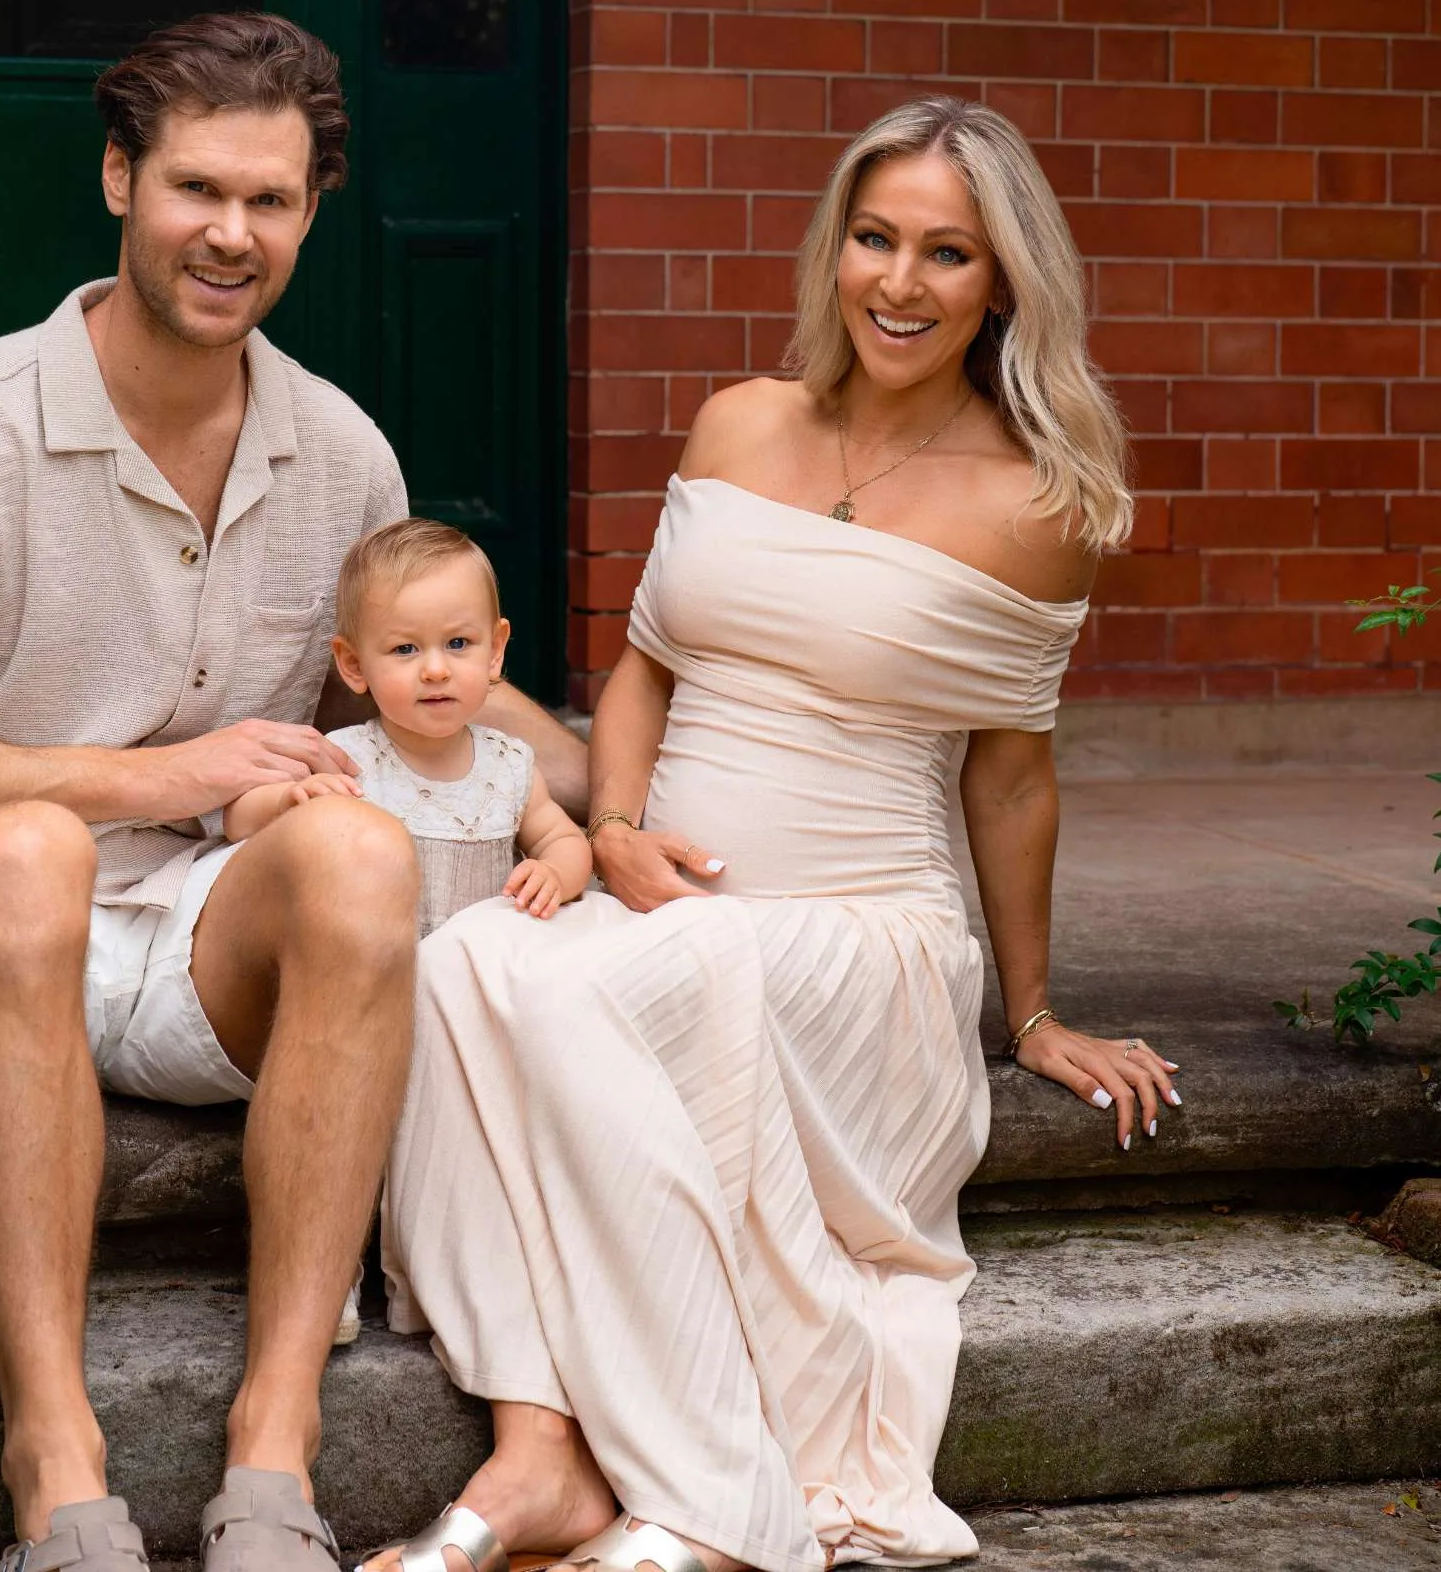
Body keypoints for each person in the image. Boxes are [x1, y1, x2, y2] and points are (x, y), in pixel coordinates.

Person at [0, 12, 584, 1572]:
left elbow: (435, 676)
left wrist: (611, 798)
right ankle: (56, 1465)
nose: (230, 234)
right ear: (116, 180)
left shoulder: (338, 449)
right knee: (22, 853)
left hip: (199, 941)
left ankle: (273, 1452)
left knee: (357, 853)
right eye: (195, 189)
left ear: (308, 213)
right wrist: (156, 776)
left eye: (270, 201)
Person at [369, 95, 1182, 1572]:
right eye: (873, 237)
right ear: (834, 247)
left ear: (1001, 280)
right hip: (657, 902)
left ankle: (713, 1499)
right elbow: (644, 668)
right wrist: (610, 823)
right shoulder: (739, 422)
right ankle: (539, 1452)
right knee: (455, 967)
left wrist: (1037, 1009)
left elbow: (1008, 778)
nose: (897, 281)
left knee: (555, 991)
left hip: (858, 931)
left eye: (946, 253)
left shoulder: (1037, 503)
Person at [225, 519, 592, 933]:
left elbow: (561, 840)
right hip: (386, 966)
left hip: (487, 963)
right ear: (354, 664)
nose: (435, 670)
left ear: (494, 651)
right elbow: (237, 819)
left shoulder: (508, 764)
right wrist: (287, 800)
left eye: (457, 644)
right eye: (405, 649)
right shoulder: (346, 759)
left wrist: (556, 874)